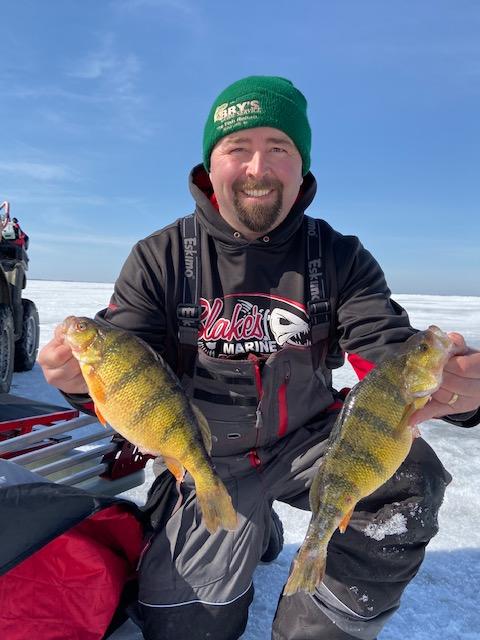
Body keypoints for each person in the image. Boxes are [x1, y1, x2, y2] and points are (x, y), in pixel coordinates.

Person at [38, 76, 480, 640]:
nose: (257, 168)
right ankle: (253, 524)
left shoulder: (338, 256)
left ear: (302, 168)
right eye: (237, 148)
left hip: (308, 443)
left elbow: (386, 356)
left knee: (408, 477)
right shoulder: (160, 257)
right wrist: (77, 382)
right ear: (209, 165)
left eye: (279, 149)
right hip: (207, 454)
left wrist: (460, 390)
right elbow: (127, 366)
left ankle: (319, 626)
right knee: (184, 625)